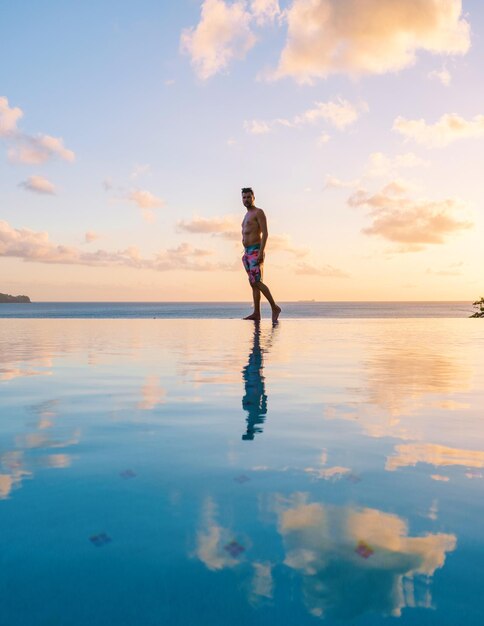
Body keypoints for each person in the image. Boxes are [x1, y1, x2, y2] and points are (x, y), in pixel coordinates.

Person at [241, 187, 281, 322]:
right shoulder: (246, 215)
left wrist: (261, 252)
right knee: (253, 284)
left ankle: (275, 307)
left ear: (253, 197)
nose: (246, 199)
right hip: (247, 253)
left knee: (257, 282)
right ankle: (256, 313)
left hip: (255, 251)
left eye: (248, 197)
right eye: (244, 197)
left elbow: (265, 233)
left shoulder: (259, 212)